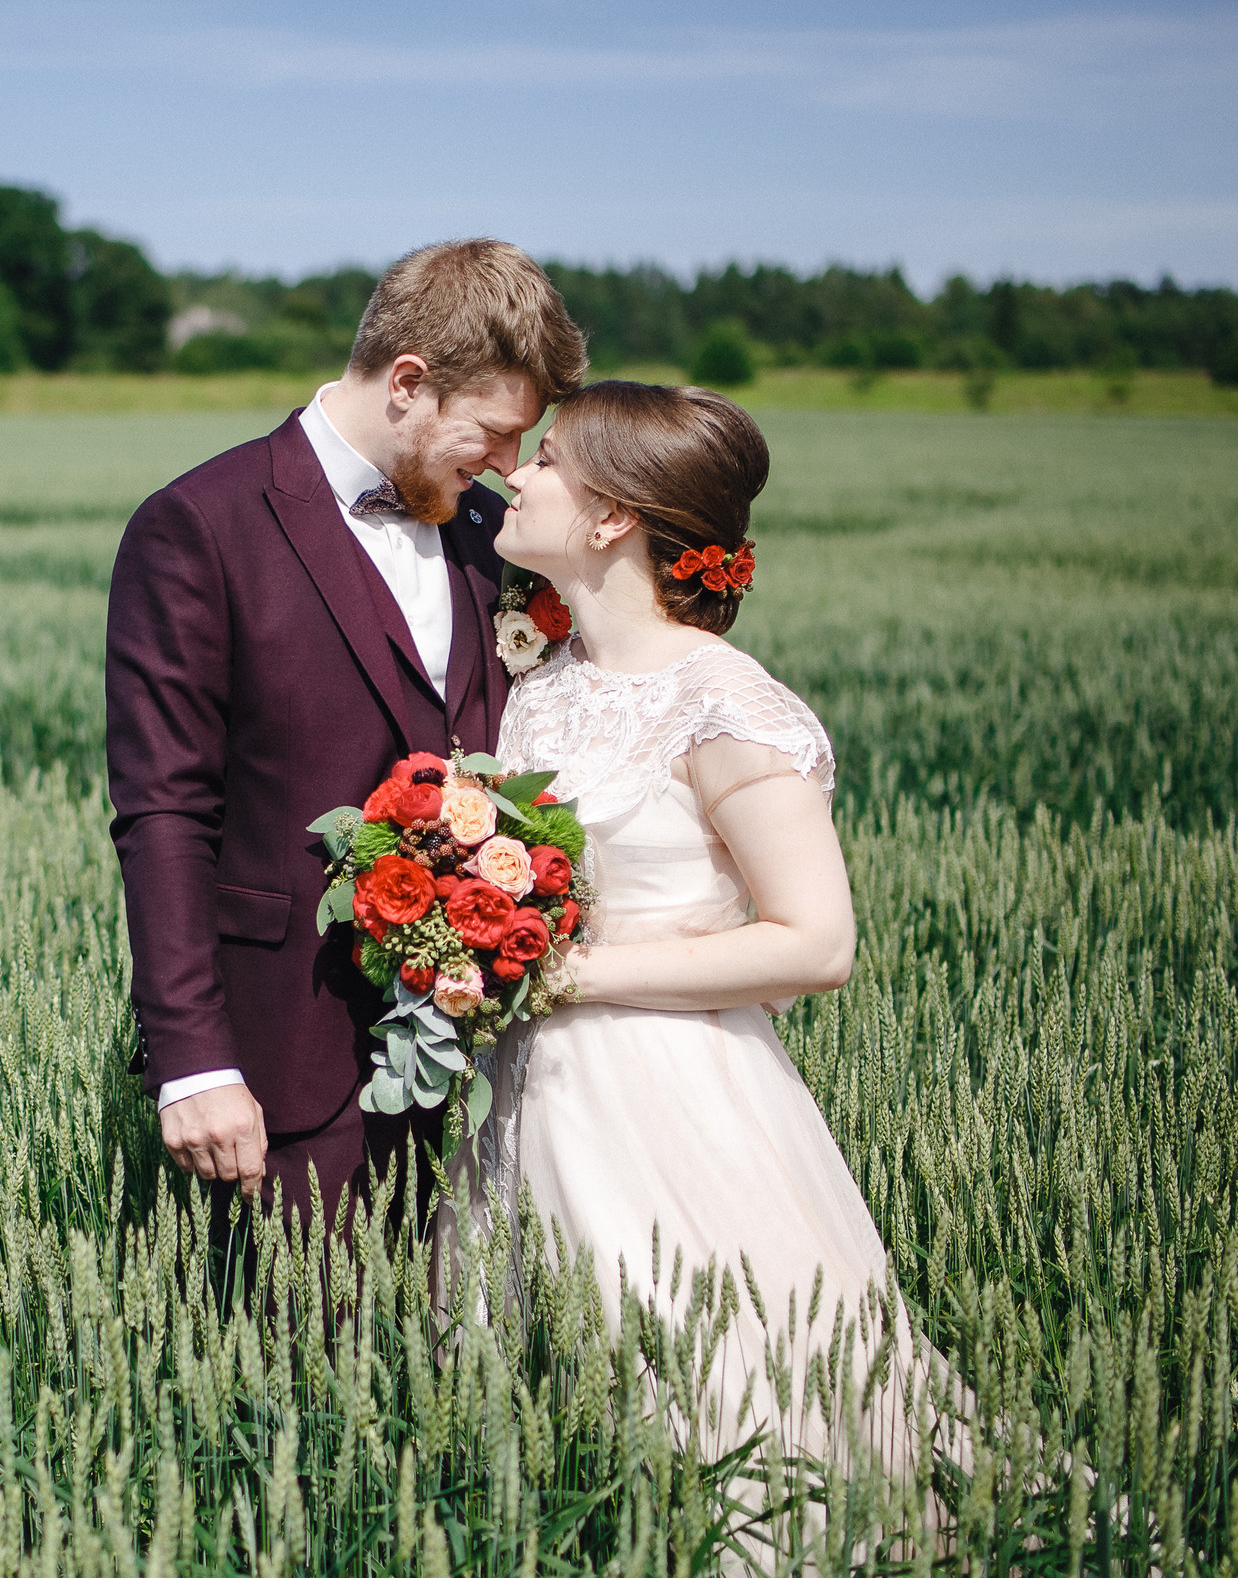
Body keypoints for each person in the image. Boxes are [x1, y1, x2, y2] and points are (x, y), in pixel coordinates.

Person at [479, 380, 946, 1467]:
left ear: (610, 518)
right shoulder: (538, 684)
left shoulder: (727, 704)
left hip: (666, 1101)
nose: (517, 471)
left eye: (546, 460)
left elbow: (813, 942)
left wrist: (558, 975)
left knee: (717, 1421)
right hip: (508, 1092)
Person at [104, 240, 586, 1283]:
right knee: (300, 1395)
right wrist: (193, 1062)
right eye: (495, 430)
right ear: (407, 382)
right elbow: (164, 815)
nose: (509, 463)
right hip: (286, 1061)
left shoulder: (495, 536)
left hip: (496, 1062)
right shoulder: (197, 527)